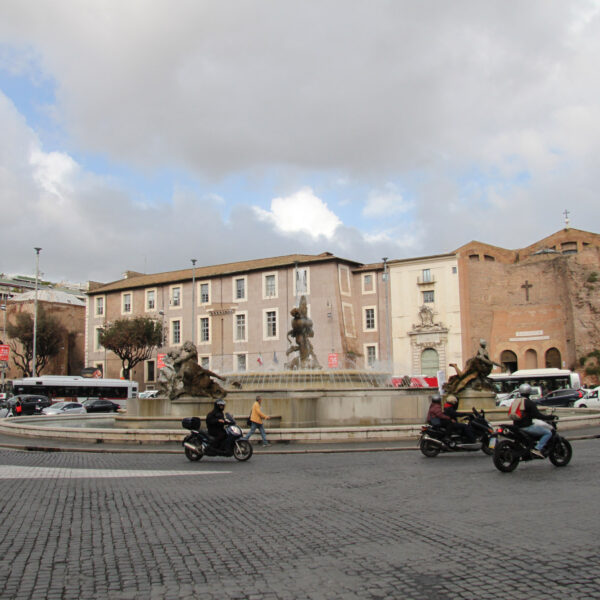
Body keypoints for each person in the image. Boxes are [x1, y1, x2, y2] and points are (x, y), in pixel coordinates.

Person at [509, 383, 553, 458]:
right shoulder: (529, 403)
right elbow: (537, 415)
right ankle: (537, 449)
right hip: (526, 427)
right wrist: (549, 417)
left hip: (516, 426)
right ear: (529, 392)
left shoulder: (516, 401)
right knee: (548, 433)